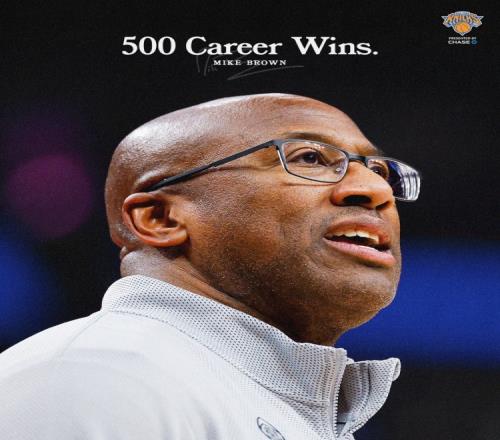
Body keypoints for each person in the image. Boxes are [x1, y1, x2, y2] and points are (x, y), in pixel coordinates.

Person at [0, 93, 420, 439]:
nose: (375, 189)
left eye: (379, 171)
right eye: (309, 158)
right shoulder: (97, 380)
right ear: (160, 219)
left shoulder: (253, 399)